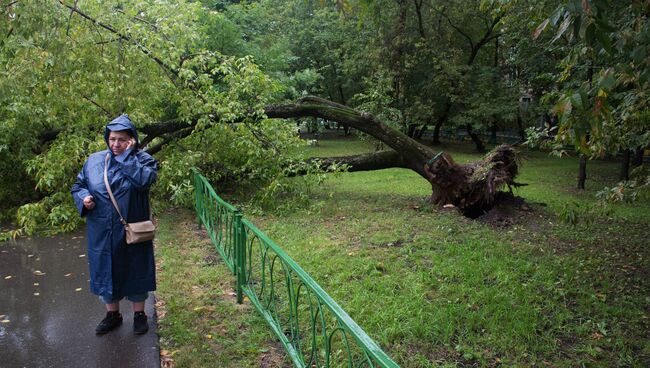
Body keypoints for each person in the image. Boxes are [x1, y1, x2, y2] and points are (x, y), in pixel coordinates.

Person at [71, 114, 158, 335]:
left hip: (131, 229)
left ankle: (139, 314)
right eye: (112, 139)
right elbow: (78, 185)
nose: (115, 144)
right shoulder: (94, 160)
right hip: (101, 229)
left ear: (132, 140)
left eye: (121, 140)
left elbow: (143, 181)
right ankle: (113, 315)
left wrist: (127, 157)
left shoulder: (143, 160)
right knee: (105, 270)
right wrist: (84, 198)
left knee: (135, 268)